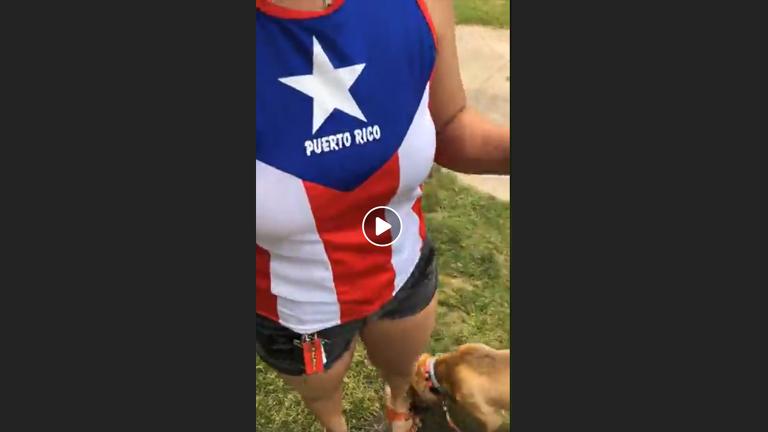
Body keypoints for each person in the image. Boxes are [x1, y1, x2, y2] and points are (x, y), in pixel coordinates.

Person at [255, 0, 510, 431]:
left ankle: (399, 405)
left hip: (403, 267)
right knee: (322, 394)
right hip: (292, 307)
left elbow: (449, 124)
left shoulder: (421, 5)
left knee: (401, 368)